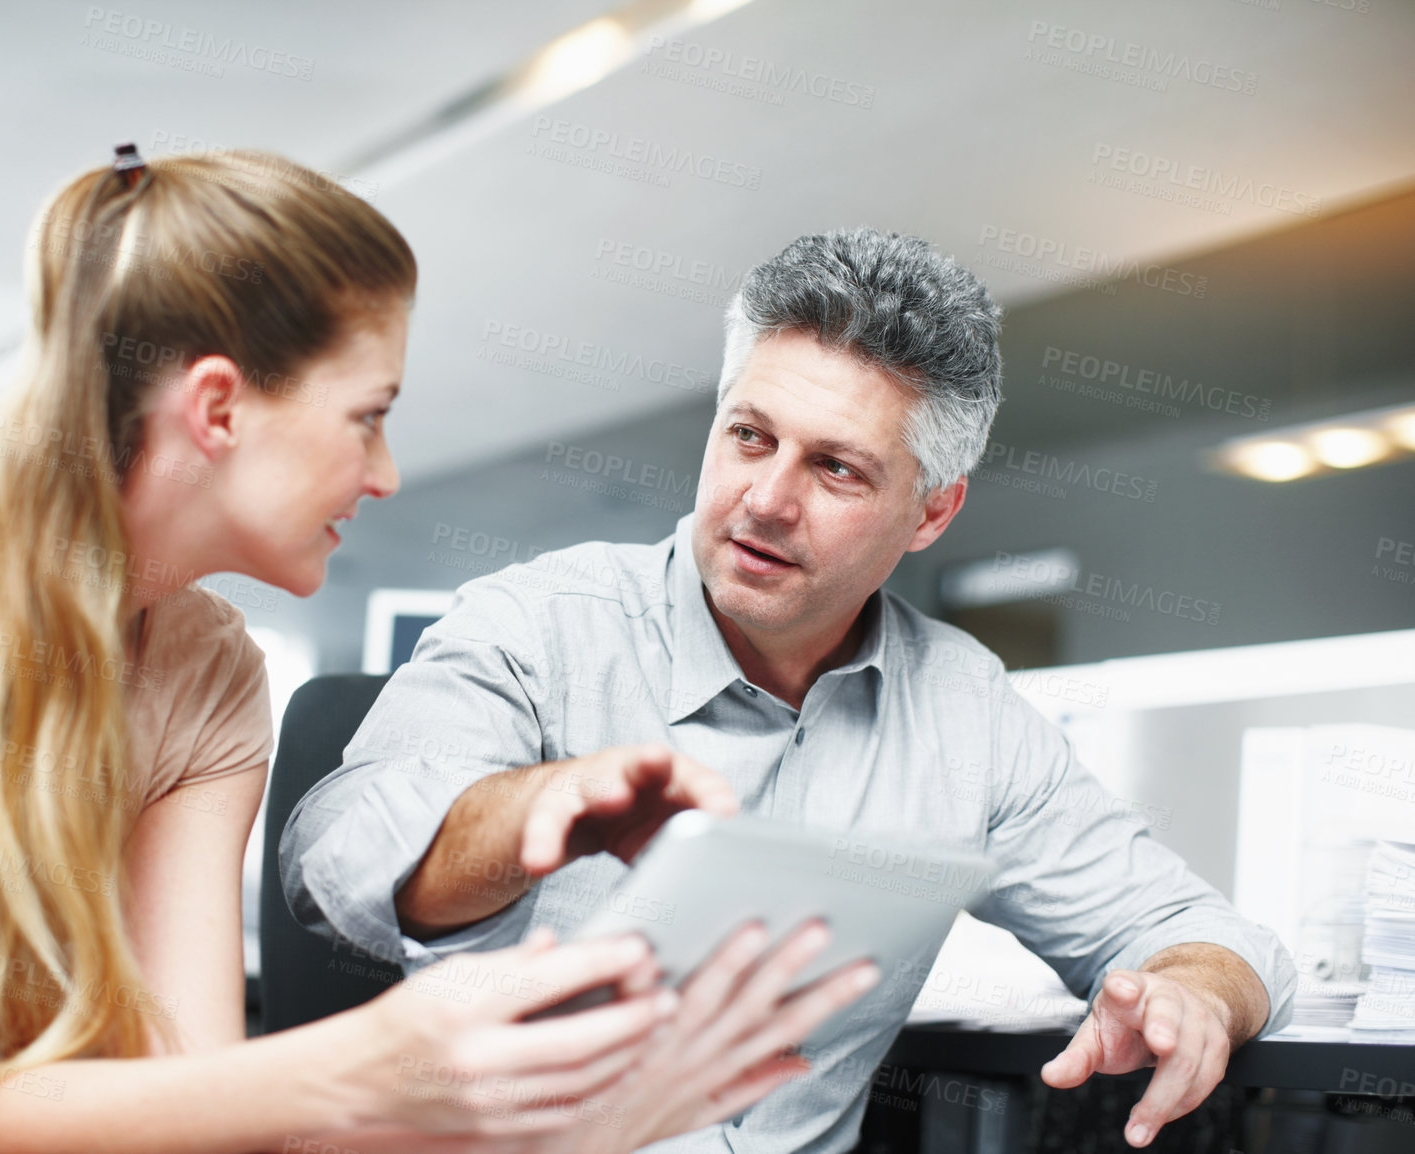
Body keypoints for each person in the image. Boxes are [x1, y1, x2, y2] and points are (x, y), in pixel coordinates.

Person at [0, 149, 879, 1154]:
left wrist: (556, 1114)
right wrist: (374, 1059)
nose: (385, 471)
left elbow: (191, 1089)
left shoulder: (212, 671)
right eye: (368, 415)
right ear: (216, 409)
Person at [282, 228, 1300, 1153]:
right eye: (750, 436)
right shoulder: (538, 622)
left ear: (931, 511)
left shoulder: (964, 710)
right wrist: (524, 812)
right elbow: (340, 858)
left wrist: (1196, 992)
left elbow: (1198, 931)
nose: (766, 500)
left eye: (837, 469)